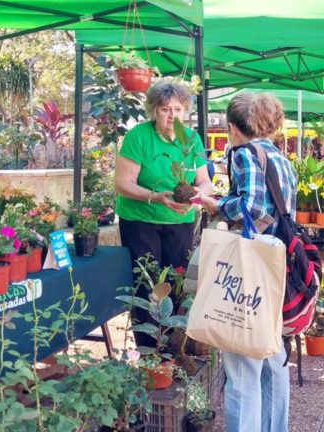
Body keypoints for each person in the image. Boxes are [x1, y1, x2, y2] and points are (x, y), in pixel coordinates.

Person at [199, 92, 295, 432]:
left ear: (231, 127)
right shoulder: (279, 156)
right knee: (273, 358)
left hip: (250, 267)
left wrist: (217, 206)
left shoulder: (242, 153)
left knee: (241, 369)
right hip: (278, 264)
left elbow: (253, 208)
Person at [114, 80, 212, 347]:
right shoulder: (139, 136)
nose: (172, 116)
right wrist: (155, 197)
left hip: (180, 220)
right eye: (165, 109)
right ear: (153, 110)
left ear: (185, 111)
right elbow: (122, 184)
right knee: (147, 283)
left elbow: (205, 180)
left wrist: (197, 196)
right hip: (140, 221)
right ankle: (149, 349)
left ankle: (172, 346)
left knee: (176, 280)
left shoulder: (191, 139)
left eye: (178, 109)